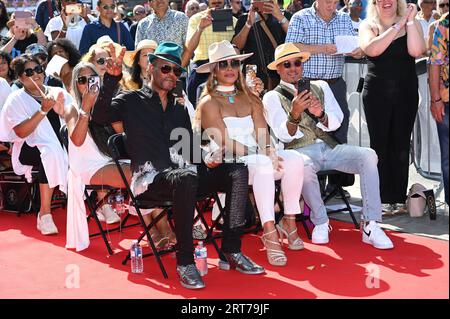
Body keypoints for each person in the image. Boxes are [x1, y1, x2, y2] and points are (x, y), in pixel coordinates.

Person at [91, 41, 264, 289]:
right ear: (151, 67)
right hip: (150, 182)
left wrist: (208, 157)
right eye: (165, 69)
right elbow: (99, 117)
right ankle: (185, 262)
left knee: (237, 170)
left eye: (177, 71)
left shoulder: (177, 108)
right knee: (185, 178)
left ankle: (231, 250)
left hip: (185, 175)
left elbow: (188, 148)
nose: (172, 75)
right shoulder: (131, 100)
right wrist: (111, 78)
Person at [263, 42, 394, 249]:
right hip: (298, 152)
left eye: (297, 62)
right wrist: (295, 113)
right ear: (278, 69)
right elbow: (283, 135)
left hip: (329, 147)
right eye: (286, 64)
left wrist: (320, 114)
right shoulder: (271, 97)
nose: (293, 68)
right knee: (302, 165)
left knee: (368, 155)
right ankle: (321, 221)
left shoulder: (321, 86)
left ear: (303, 64)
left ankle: (371, 224)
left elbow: (337, 121)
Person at [195, 40, 305, 266]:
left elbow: (262, 131)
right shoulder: (208, 102)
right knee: (264, 165)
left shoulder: (250, 97)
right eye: (223, 64)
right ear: (214, 69)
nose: (229, 69)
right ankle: (269, 231)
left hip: (256, 157)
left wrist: (269, 150)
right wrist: (263, 154)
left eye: (234, 63)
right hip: (229, 162)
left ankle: (290, 221)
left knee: (295, 160)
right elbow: (223, 140)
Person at [285, 0, 365, 198]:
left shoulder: (345, 19)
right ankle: (313, 186)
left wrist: (358, 51)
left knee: (338, 131)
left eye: (334, 1)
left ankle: (336, 186)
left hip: (335, 83)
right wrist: (321, 48)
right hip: (309, 84)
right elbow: (291, 47)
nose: (332, 5)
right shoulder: (301, 17)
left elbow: (355, 44)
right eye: (327, 1)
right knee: (310, 133)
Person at [359, 0, 425, 214]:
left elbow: (416, 50)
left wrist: (410, 21)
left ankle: (398, 197)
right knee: (379, 144)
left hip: (405, 92)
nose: (387, 2)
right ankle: (381, 198)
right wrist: (397, 27)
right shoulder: (368, 25)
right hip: (377, 93)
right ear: (375, 3)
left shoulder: (410, 23)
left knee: (401, 143)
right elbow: (372, 49)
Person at [0, 54, 71, 235]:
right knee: (49, 153)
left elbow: (74, 119)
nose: (36, 74)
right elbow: (21, 132)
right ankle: (44, 213)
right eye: (29, 71)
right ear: (20, 78)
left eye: (38, 69)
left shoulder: (56, 91)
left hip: (60, 145)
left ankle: (101, 201)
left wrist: (63, 112)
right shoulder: (15, 99)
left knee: (74, 148)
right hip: (27, 148)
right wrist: (43, 110)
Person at [185, 0, 238, 105]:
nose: (217, 2)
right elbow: (189, 48)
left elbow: (237, 48)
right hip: (202, 69)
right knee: (197, 111)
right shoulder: (196, 19)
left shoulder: (234, 21)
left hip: (227, 71)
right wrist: (200, 28)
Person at [232, 0, 291, 90]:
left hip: (280, 72)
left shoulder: (284, 15)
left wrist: (280, 17)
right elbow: (236, 47)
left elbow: (295, 38)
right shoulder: (244, 19)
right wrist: (248, 24)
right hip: (253, 73)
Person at [428, 12, 448, 205]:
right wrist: (435, 99)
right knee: (448, 160)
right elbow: (434, 62)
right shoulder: (445, 23)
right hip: (447, 101)